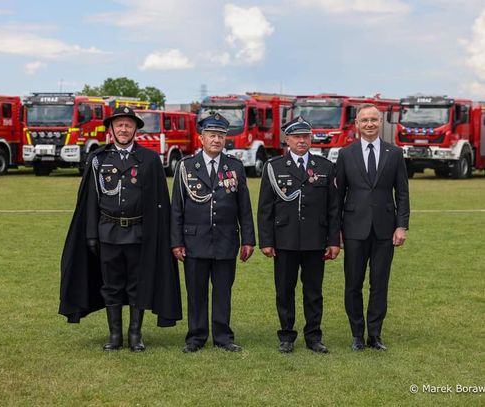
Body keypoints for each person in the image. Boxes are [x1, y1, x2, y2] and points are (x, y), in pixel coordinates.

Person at [59, 106, 182, 352]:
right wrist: (91, 234)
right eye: (119, 125)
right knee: (111, 285)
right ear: (111, 129)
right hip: (108, 233)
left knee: (137, 284)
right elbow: (90, 201)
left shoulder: (149, 160)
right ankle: (114, 335)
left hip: (139, 234)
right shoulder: (98, 159)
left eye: (128, 125)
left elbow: (159, 203)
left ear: (135, 129)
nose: (123, 129)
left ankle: (135, 335)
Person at [171, 113, 255, 353]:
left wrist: (248, 240)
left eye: (220, 136)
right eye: (212, 135)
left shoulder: (235, 167)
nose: (216, 140)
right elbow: (177, 207)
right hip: (194, 240)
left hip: (226, 240)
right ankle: (196, 337)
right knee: (196, 292)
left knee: (222, 291)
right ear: (201, 138)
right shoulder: (186, 166)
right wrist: (176, 241)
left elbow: (244, 208)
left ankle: (223, 336)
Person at [258, 116, 340, 354]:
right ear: (287, 140)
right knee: (284, 290)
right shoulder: (274, 167)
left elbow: (333, 208)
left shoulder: (325, 167)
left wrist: (334, 240)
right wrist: (266, 241)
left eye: (306, 136)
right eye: (296, 137)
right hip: (285, 239)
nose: (302, 141)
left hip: (316, 240)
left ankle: (314, 336)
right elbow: (265, 207)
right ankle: (286, 336)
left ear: (311, 138)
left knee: (314, 292)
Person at [335, 103, 410, 351]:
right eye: (364, 120)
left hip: (384, 231)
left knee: (379, 284)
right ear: (356, 124)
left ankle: (375, 334)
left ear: (381, 123)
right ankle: (357, 334)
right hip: (354, 230)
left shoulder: (394, 153)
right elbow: (338, 196)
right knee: (353, 284)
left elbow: (402, 194)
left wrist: (401, 226)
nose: (369, 124)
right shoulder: (346, 154)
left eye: (373, 120)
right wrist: (336, 232)